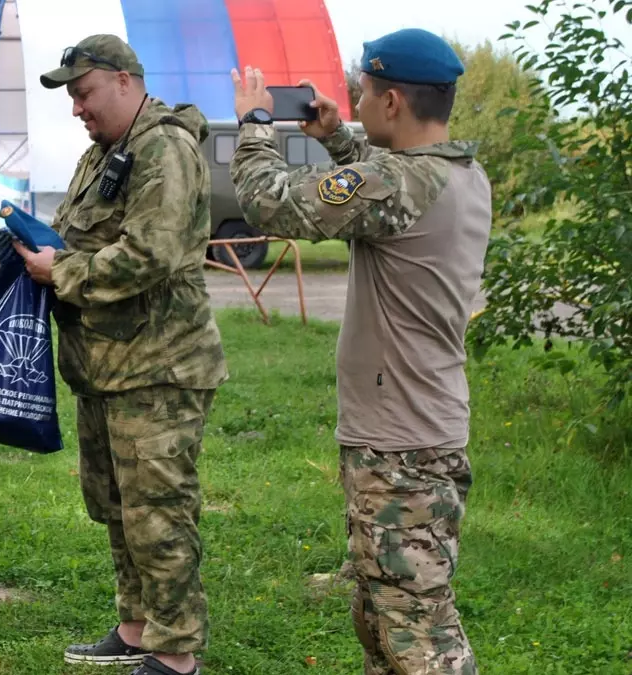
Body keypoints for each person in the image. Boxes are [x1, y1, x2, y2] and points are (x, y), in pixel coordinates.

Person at [227, 28, 488, 675]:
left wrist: (256, 123)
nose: (357, 100)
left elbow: (270, 201)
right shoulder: (459, 171)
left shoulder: (399, 184)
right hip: (411, 432)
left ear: (393, 101)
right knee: (382, 618)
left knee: (420, 637)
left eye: (364, 91)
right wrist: (338, 136)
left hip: (401, 447)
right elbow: (377, 181)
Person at [0, 34, 228, 675]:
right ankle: (136, 628)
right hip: (107, 367)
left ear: (125, 81)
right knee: (119, 508)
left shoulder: (164, 149)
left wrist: (59, 272)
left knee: (159, 512)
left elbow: (151, 255)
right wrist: (22, 265)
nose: (76, 108)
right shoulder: (104, 154)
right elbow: (71, 237)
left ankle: (176, 654)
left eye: (84, 92)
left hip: (159, 367)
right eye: (71, 96)